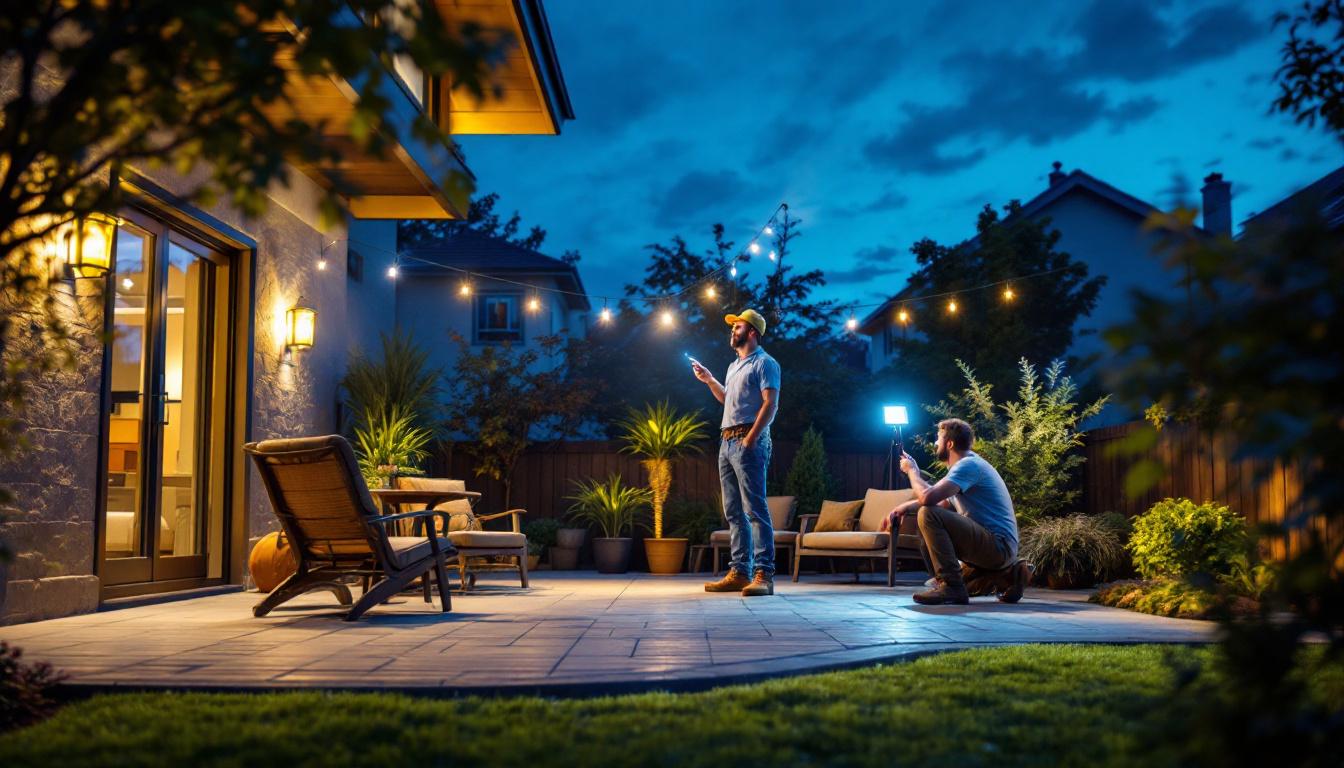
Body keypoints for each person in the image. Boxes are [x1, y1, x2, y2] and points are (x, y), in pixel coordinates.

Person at [885, 418, 1030, 605]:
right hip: (994, 548)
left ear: (950, 443)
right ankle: (1010, 576)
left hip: (997, 546)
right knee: (940, 582)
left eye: (939, 438)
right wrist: (904, 507)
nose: (936, 443)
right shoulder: (966, 467)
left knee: (927, 514)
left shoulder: (968, 466)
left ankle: (951, 586)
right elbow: (943, 503)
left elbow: (928, 499)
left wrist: (913, 472)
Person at [691, 308, 781, 597]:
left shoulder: (766, 364)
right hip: (726, 441)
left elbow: (770, 405)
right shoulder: (734, 366)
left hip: (747, 439)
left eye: (738, 326)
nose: (733, 331)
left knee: (755, 509)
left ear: (752, 332)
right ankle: (740, 572)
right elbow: (726, 399)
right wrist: (708, 380)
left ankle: (764, 575)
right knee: (732, 511)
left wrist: (752, 438)